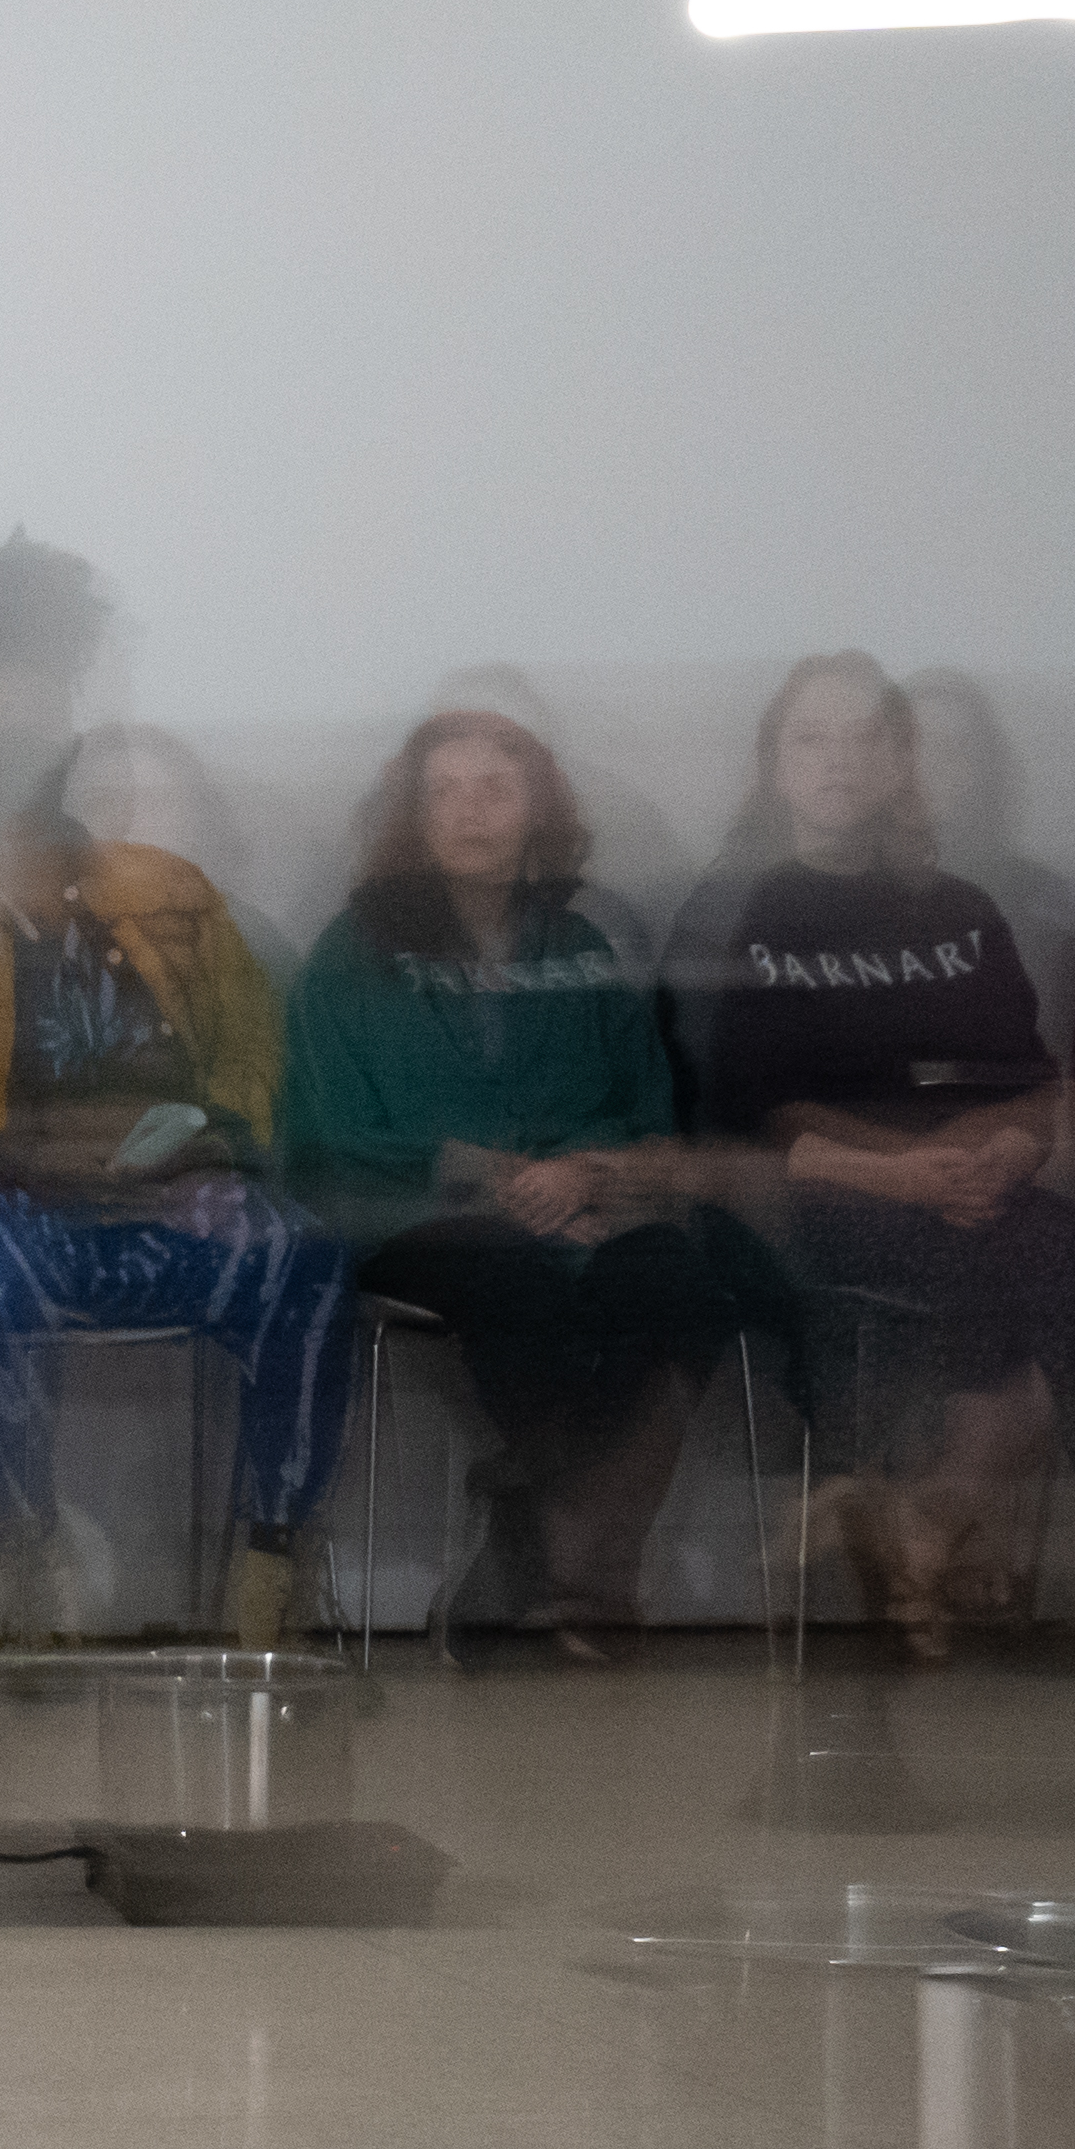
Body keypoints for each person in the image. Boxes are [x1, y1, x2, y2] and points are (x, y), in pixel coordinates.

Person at [0, 540, 348, 1639]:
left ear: (68, 732)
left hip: (155, 1194)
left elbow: (251, 1055)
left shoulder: (170, 889)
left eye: (33, 714)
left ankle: (272, 1575)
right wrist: (23, 1148)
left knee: (299, 1248)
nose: (11, 738)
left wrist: (204, 1138)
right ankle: (27, 1562)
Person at [279, 707, 759, 1650]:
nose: (471, 812)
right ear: (412, 819)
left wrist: (589, 1175)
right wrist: (496, 1177)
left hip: (586, 1208)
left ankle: (552, 1545)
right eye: (444, 792)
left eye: (495, 789)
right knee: (517, 1281)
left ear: (538, 808)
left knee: (684, 1285)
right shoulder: (353, 949)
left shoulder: (580, 948)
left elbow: (644, 1108)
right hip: (415, 1219)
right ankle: (586, 1574)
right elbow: (331, 1126)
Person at [673, 651, 1075, 1642]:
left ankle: (919, 1522)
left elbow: (1027, 1081)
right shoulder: (736, 908)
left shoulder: (960, 908)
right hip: (818, 1198)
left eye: (864, 737)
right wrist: (901, 1174)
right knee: (1007, 1274)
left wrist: (1004, 1149)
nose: (839, 760)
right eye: (811, 738)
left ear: (897, 761)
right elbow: (750, 1113)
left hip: (973, 1186)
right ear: (775, 765)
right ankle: (925, 1544)